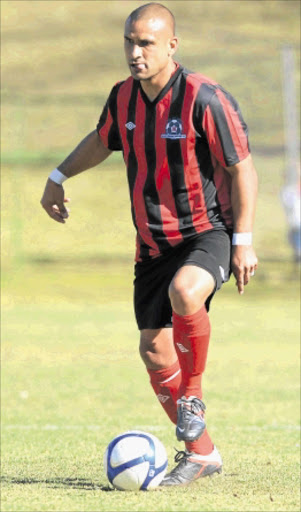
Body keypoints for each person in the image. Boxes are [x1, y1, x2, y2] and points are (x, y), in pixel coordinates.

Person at [41, 2, 258, 486]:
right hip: (152, 245)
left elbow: (241, 167)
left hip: (209, 231)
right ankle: (202, 454)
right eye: (129, 42)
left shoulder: (204, 98)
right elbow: (102, 139)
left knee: (187, 293)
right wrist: (57, 176)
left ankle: (192, 397)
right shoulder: (122, 98)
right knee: (156, 352)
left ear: (171, 46)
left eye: (146, 43)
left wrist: (242, 240)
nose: (135, 53)